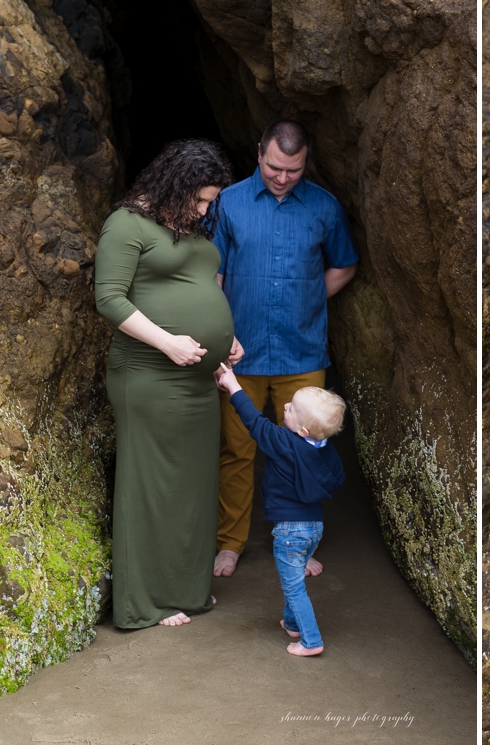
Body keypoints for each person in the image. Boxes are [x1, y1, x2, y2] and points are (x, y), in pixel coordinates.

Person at [94, 139, 239, 628]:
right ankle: (145, 602)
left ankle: (186, 590)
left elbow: (202, 290)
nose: (204, 210)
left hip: (197, 381)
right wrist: (169, 344)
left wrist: (228, 339)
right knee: (152, 485)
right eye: (199, 199)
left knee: (192, 486)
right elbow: (110, 300)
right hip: (149, 374)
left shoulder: (188, 229)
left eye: (210, 202)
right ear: (174, 186)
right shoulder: (127, 224)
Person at [211, 119, 359, 578]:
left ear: (305, 162)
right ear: (259, 153)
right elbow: (211, 274)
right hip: (242, 354)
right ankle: (230, 543)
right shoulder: (228, 203)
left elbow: (345, 265)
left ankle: (300, 541)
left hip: (302, 354)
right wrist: (221, 327)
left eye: (292, 171)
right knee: (238, 451)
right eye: (275, 167)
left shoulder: (324, 207)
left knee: (304, 453)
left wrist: (309, 299)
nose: (281, 177)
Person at [214, 363, 346, 656]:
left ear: (302, 429)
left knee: (294, 588)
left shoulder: (284, 442)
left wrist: (233, 385)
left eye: (291, 409)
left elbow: (253, 421)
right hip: (314, 527)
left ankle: (311, 641)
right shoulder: (325, 449)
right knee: (295, 578)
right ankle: (291, 623)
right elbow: (338, 479)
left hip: (289, 530)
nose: (285, 406)